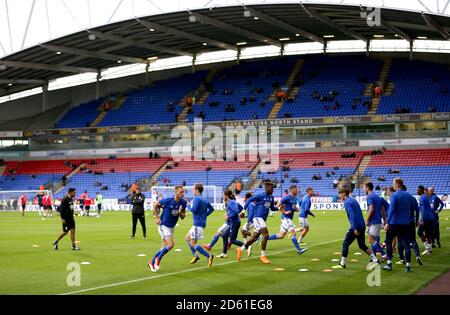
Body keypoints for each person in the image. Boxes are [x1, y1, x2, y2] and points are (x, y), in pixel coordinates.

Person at [335, 188, 379, 269]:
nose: (339, 196)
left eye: (340, 194)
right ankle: (375, 259)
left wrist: (354, 228)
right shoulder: (353, 200)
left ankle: (342, 263)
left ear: (344, 193)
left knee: (345, 243)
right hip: (362, 225)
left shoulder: (347, 202)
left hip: (356, 226)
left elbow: (352, 215)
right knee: (361, 245)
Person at [236, 181, 278, 264]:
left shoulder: (271, 197)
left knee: (254, 238)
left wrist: (279, 208)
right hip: (258, 218)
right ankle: (263, 256)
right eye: (272, 188)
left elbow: (272, 208)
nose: (273, 190)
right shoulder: (260, 195)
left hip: (263, 219)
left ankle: (240, 249)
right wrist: (243, 211)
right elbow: (249, 200)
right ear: (267, 188)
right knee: (266, 235)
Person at [148, 186, 187, 272]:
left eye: (183, 192)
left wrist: (181, 213)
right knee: (170, 245)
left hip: (171, 227)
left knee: (164, 247)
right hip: (163, 225)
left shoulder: (183, 203)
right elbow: (155, 205)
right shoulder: (167, 200)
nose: (182, 193)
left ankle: (152, 262)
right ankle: (158, 259)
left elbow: (183, 217)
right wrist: (156, 217)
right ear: (175, 192)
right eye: (181, 192)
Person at [383, 178, 415, 272]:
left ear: (397, 184)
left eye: (393, 183)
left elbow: (392, 210)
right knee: (406, 244)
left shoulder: (394, 195)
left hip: (394, 223)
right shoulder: (409, 195)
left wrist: (387, 223)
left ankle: (389, 264)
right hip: (405, 223)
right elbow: (411, 209)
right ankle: (408, 266)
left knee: (388, 242)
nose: (392, 185)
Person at [202, 189, 244, 258]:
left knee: (230, 239)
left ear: (227, 195)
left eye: (223, 195)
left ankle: (246, 245)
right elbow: (240, 208)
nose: (222, 196)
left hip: (232, 222)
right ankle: (224, 253)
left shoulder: (231, 202)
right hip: (231, 222)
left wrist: (229, 216)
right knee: (224, 235)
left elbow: (236, 210)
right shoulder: (229, 202)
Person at [267, 185, 307, 254]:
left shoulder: (294, 198)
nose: (297, 191)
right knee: (293, 232)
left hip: (288, 218)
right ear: (292, 190)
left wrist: (295, 209)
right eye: (296, 190)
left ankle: (263, 238)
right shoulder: (286, 198)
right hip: (286, 218)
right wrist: (285, 212)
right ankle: (299, 250)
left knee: (281, 236)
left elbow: (292, 207)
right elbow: (277, 206)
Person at [185, 183, 215, 267]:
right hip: (200, 223)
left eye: (193, 189)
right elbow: (212, 209)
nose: (192, 190)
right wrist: (205, 215)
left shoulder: (197, 199)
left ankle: (209, 256)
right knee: (187, 238)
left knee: (193, 244)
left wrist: (187, 206)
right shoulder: (204, 199)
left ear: (197, 190)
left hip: (197, 224)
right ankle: (195, 256)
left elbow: (194, 210)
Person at [364, 183, 387, 261]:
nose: (364, 189)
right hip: (378, 220)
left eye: (364, 188)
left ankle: (384, 255)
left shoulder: (370, 197)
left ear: (367, 188)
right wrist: (384, 220)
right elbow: (383, 210)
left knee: (371, 239)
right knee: (374, 239)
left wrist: (367, 219)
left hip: (373, 221)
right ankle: (373, 256)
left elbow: (371, 209)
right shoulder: (377, 197)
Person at [417, 186, 435, 255]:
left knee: (419, 232)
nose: (416, 191)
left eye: (417, 190)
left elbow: (424, 210)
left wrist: (422, 220)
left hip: (426, 219)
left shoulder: (422, 198)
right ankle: (430, 250)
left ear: (420, 190)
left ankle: (427, 248)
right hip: (430, 218)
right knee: (428, 235)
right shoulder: (425, 197)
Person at [240, 192, 255, 257]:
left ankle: (256, 237)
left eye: (245, 197)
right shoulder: (252, 203)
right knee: (243, 231)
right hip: (254, 220)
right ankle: (248, 246)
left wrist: (248, 222)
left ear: (247, 198)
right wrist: (245, 216)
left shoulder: (250, 204)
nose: (244, 199)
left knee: (243, 230)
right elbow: (250, 214)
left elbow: (251, 214)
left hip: (252, 221)